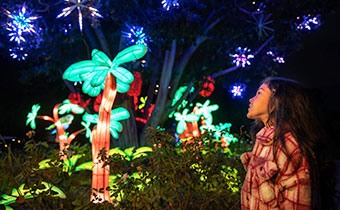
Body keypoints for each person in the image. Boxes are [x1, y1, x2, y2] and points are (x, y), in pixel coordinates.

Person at [240, 77, 323, 210]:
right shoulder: (263, 140)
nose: (251, 99)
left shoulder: (288, 144)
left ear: (277, 102)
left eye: (259, 93)